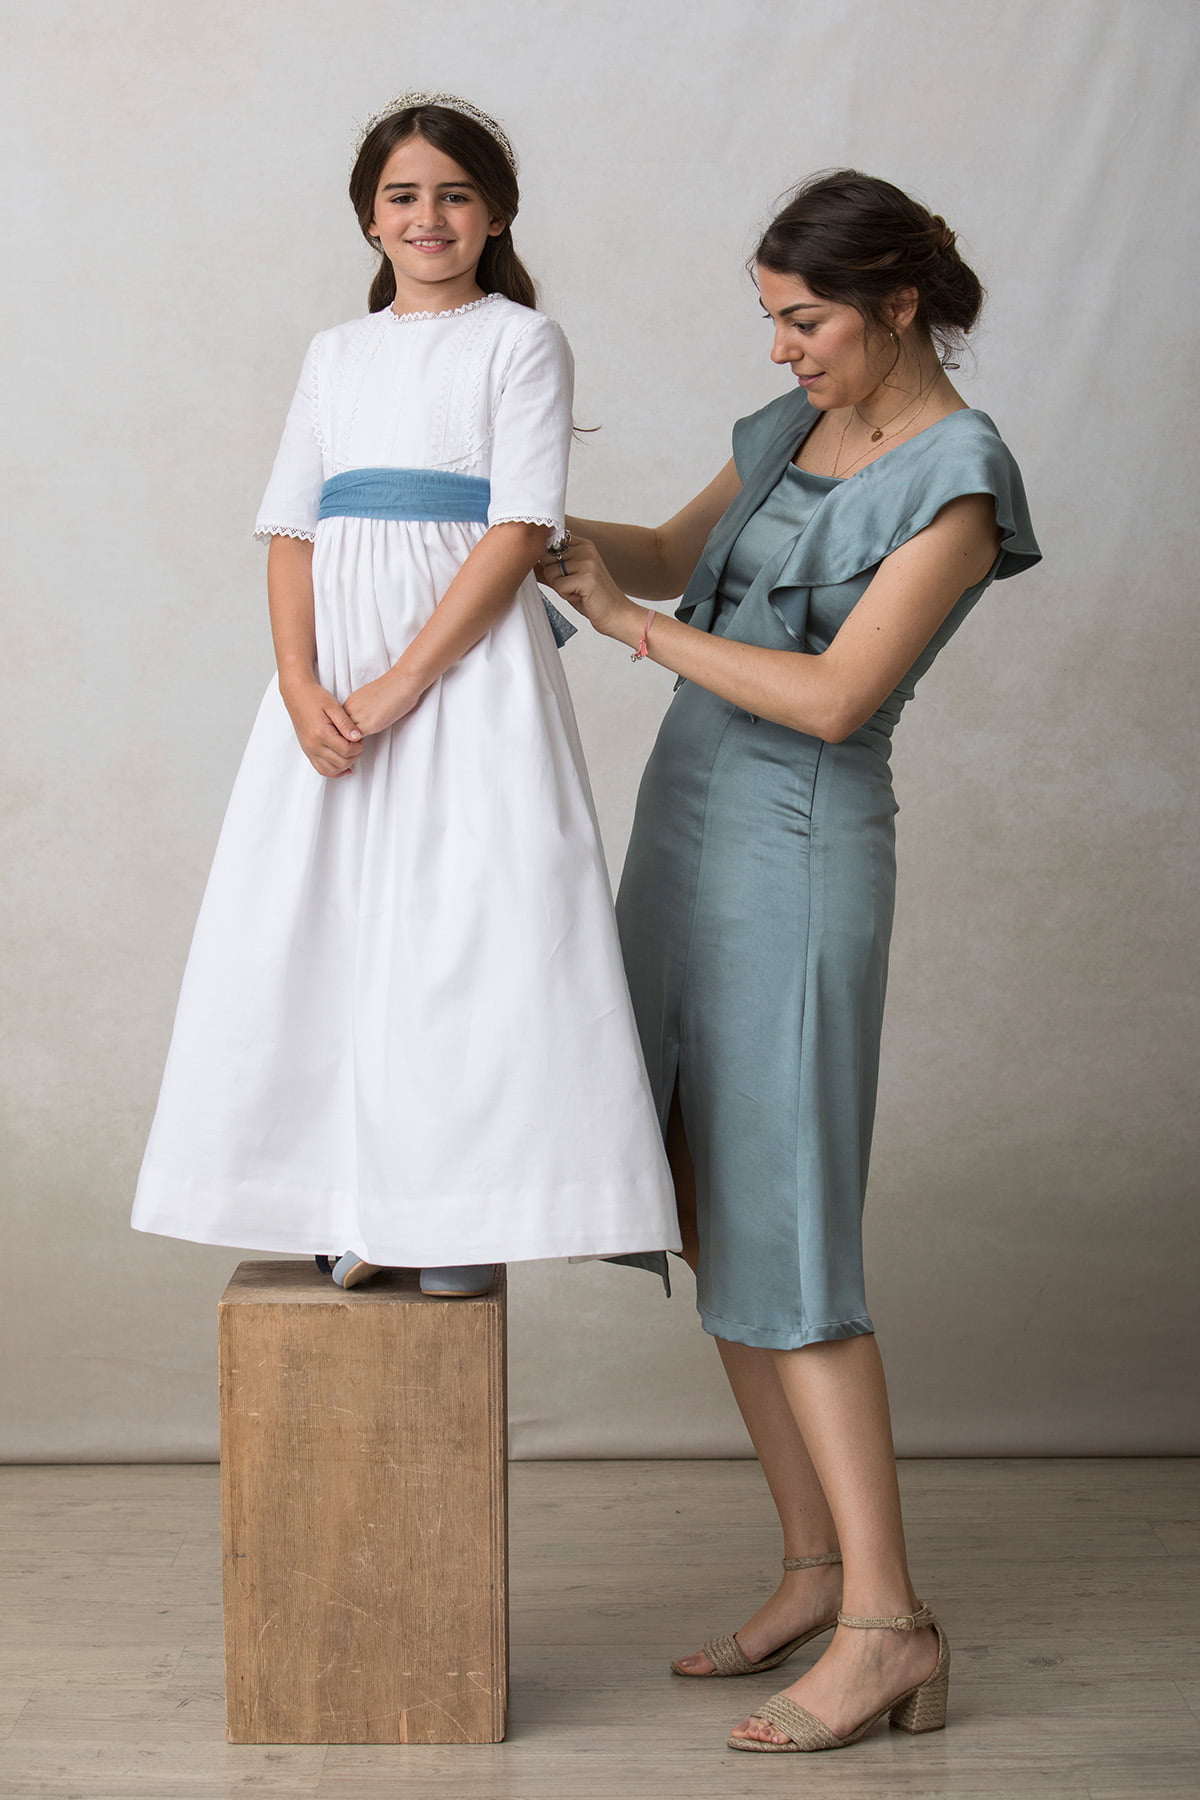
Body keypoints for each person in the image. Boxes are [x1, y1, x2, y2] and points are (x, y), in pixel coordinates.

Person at [541, 169, 1040, 1752]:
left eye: (804, 318)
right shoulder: (785, 435)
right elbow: (676, 550)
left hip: (799, 856)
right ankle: (816, 1568)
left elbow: (834, 698)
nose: (781, 350)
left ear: (897, 302)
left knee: (793, 1223)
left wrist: (622, 626)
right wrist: (526, 534)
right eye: (770, 318)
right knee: (705, 1197)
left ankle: (894, 1622)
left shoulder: (962, 477)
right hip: (681, 832)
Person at [132, 93, 680, 1298]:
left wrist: (402, 684)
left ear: (494, 213)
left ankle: (459, 1208)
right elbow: (289, 529)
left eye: (454, 193)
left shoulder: (520, 342)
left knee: (466, 927)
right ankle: (350, 1195)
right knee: (328, 922)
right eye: (402, 195)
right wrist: (302, 683)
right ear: (369, 219)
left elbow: (517, 528)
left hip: (462, 671)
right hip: (330, 681)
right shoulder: (337, 353)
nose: (427, 216)